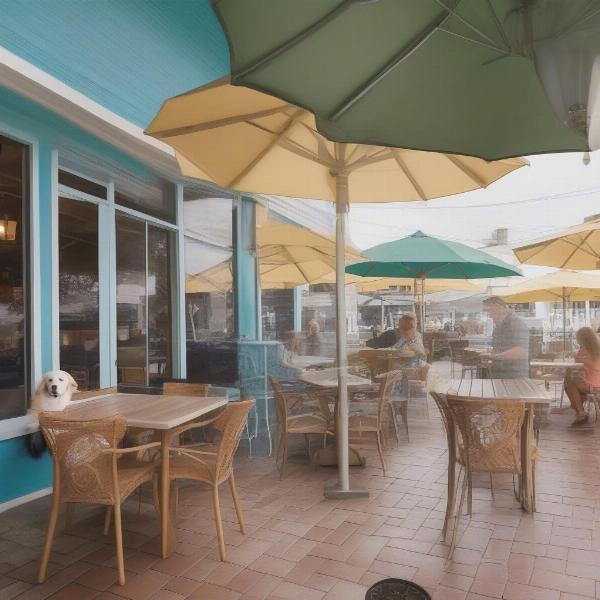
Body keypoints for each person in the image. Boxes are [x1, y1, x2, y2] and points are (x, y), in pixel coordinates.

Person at [482, 296, 529, 378]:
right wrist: (489, 354)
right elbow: (498, 349)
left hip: (514, 377)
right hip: (499, 376)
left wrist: (493, 356)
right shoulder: (499, 326)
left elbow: (520, 352)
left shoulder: (516, 324)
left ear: (500, 308)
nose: (489, 315)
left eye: (490, 310)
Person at [564, 326, 600, 427]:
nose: (577, 341)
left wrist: (576, 356)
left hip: (593, 385)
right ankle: (579, 408)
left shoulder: (590, 349)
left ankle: (580, 412)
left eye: (578, 339)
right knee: (570, 381)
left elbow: (580, 360)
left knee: (569, 382)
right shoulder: (594, 347)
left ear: (583, 339)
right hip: (593, 382)